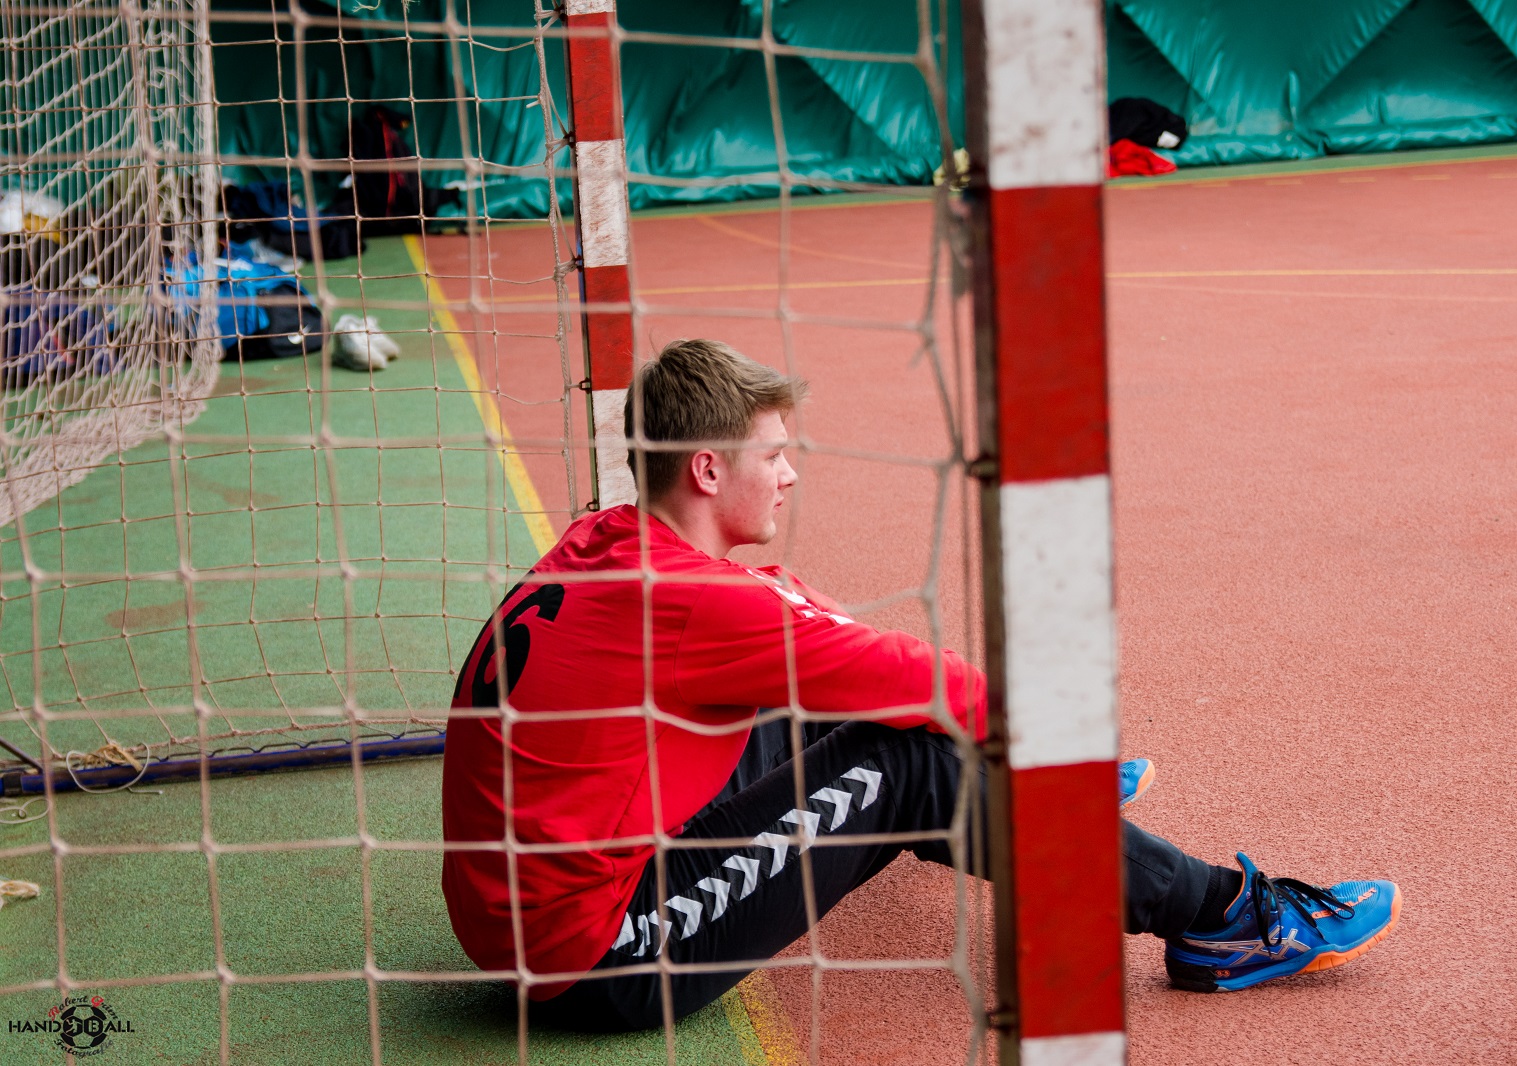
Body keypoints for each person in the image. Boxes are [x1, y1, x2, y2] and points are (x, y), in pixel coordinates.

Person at [440, 339, 1401, 1032]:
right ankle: (1222, 918)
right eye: (772, 456)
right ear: (706, 467)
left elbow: (798, 626)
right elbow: (907, 674)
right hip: (599, 956)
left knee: (840, 710)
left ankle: (1028, 799)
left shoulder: (606, 544)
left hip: (516, 913)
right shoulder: (698, 607)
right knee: (904, 758)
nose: (786, 476)